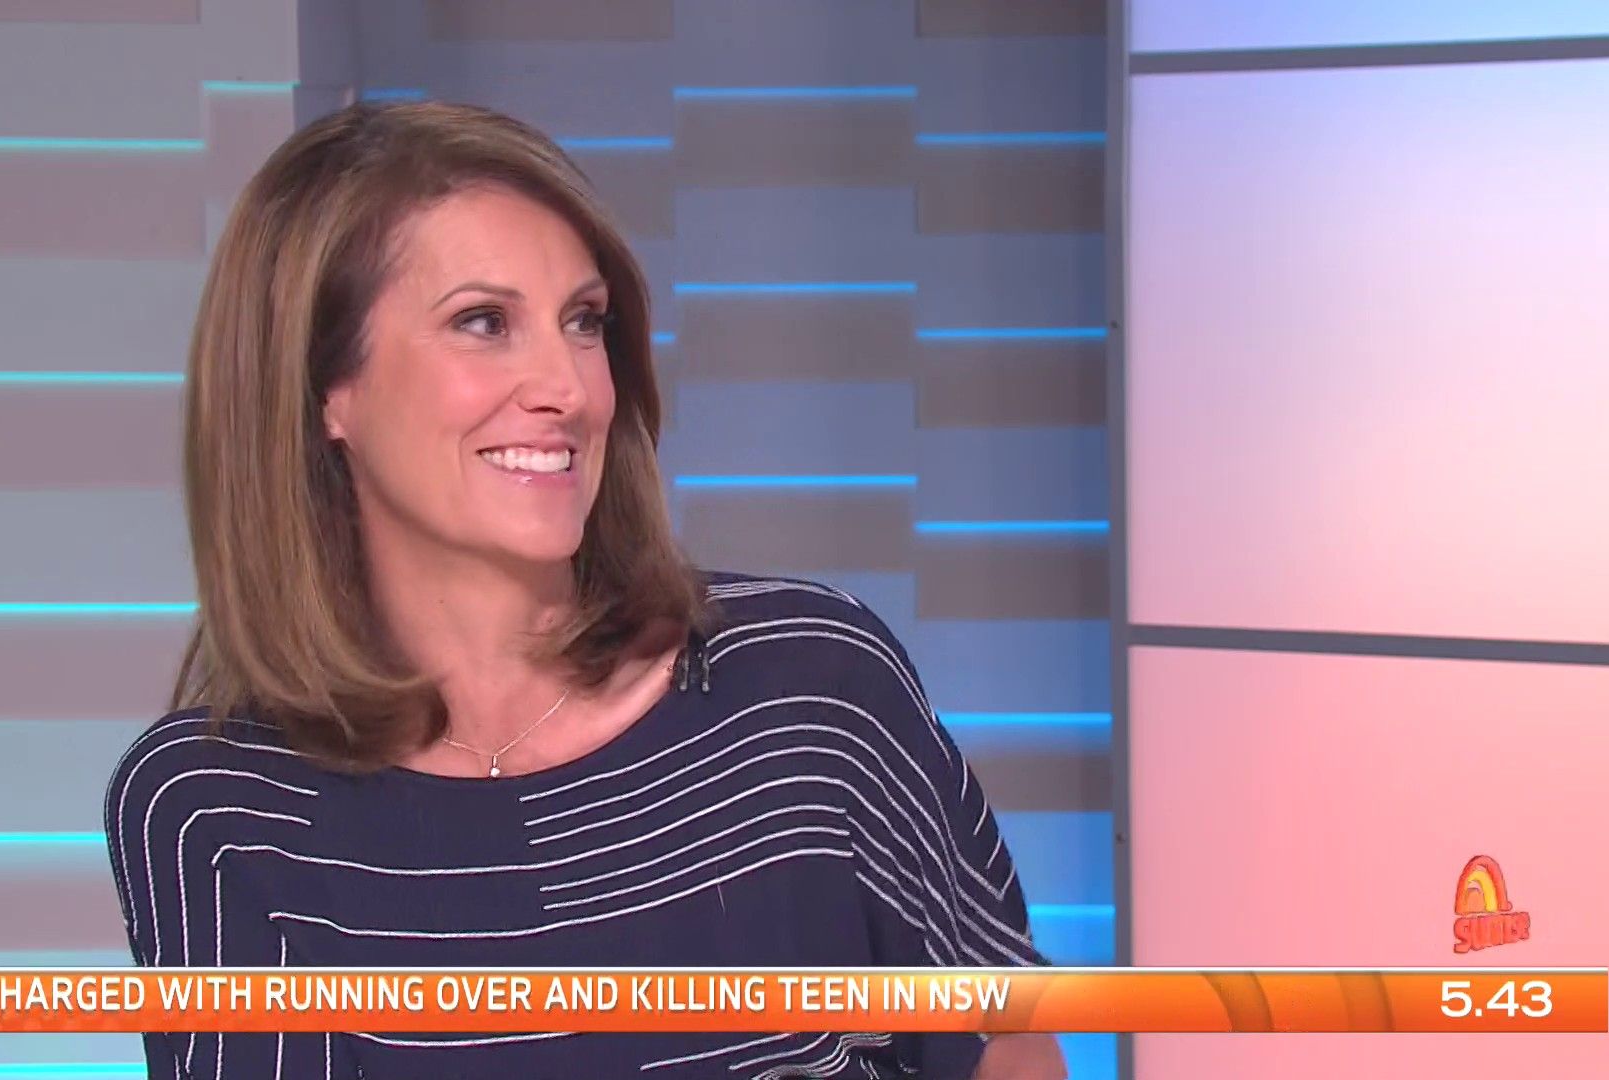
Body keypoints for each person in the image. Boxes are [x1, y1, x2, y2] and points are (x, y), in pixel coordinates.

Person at [102, 99, 1065, 1079]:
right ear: (323, 390)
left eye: (584, 321)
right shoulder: (213, 807)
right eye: (484, 323)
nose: (567, 388)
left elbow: (1009, 1049)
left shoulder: (810, 684)